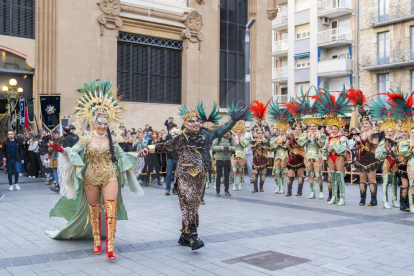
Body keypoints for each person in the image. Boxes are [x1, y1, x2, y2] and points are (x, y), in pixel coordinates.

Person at [46, 79, 144, 259]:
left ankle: (111, 247)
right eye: (100, 122)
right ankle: (97, 241)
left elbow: (122, 155)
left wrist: (139, 154)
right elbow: (73, 152)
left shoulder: (112, 139)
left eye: (105, 123)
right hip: (90, 177)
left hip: (109, 175)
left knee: (111, 209)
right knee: (95, 210)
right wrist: (61, 149)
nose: (102, 126)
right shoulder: (85, 138)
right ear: (93, 121)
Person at [145, 101, 247, 251]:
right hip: (184, 175)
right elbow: (165, 146)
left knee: (192, 205)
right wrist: (148, 148)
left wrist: (233, 120)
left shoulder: (206, 134)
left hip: (200, 175)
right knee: (189, 202)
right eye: (191, 121)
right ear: (185, 124)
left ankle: (184, 236)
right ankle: (193, 235)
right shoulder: (181, 138)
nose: (195, 123)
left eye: (197, 120)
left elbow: (220, 130)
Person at [267, 98, 294, 195]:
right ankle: (278, 186)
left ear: (285, 131)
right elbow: (272, 146)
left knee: (284, 172)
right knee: (276, 172)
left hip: (284, 156)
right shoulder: (275, 138)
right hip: (277, 156)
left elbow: (288, 147)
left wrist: (285, 142)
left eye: (283, 131)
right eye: (280, 131)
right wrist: (275, 144)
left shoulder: (286, 137)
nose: (281, 132)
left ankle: (283, 187)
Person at [212, 131, 236, 196]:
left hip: (227, 159)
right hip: (219, 159)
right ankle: (217, 191)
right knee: (218, 175)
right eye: (225, 132)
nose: (226, 133)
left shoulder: (231, 138)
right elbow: (213, 146)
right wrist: (220, 148)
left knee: (227, 176)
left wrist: (231, 148)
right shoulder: (218, 138)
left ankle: (226, 191)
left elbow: (235, 147)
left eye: (227, 132)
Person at [230, 122, 251, 191]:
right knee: (234, 170)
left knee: (241, 170)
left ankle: (239, 184)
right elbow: (231, 146)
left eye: (240, 132)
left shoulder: (244, 138)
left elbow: (245, 145)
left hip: (241, 155)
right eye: (237, 132)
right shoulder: (232, 138)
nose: (238, 133)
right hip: (234, 155)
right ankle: (234, 184)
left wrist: (240, 139)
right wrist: (235, 138)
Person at [286, 124, 305, 196]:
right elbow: (286, 146)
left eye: (299, 130)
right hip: (291, 157)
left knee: (300, 174)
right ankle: (289, 191)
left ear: (301, 131)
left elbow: (301, 145)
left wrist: (294, 139)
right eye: (296, 129)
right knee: (290, 174)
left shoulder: (303, 137)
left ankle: (299, 191)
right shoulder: (292, 137)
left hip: (300, 157)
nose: (297, 131)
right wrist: (288, 138)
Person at [165, 124, 179, 195]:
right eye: (173, 129)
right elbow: (167, 145)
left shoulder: (179, 137)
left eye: (176, 129)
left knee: (177, 175)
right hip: (170, 157)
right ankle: (168, 189)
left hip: (177, 158)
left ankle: (175, 189)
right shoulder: (168, 137)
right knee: (169, 174)